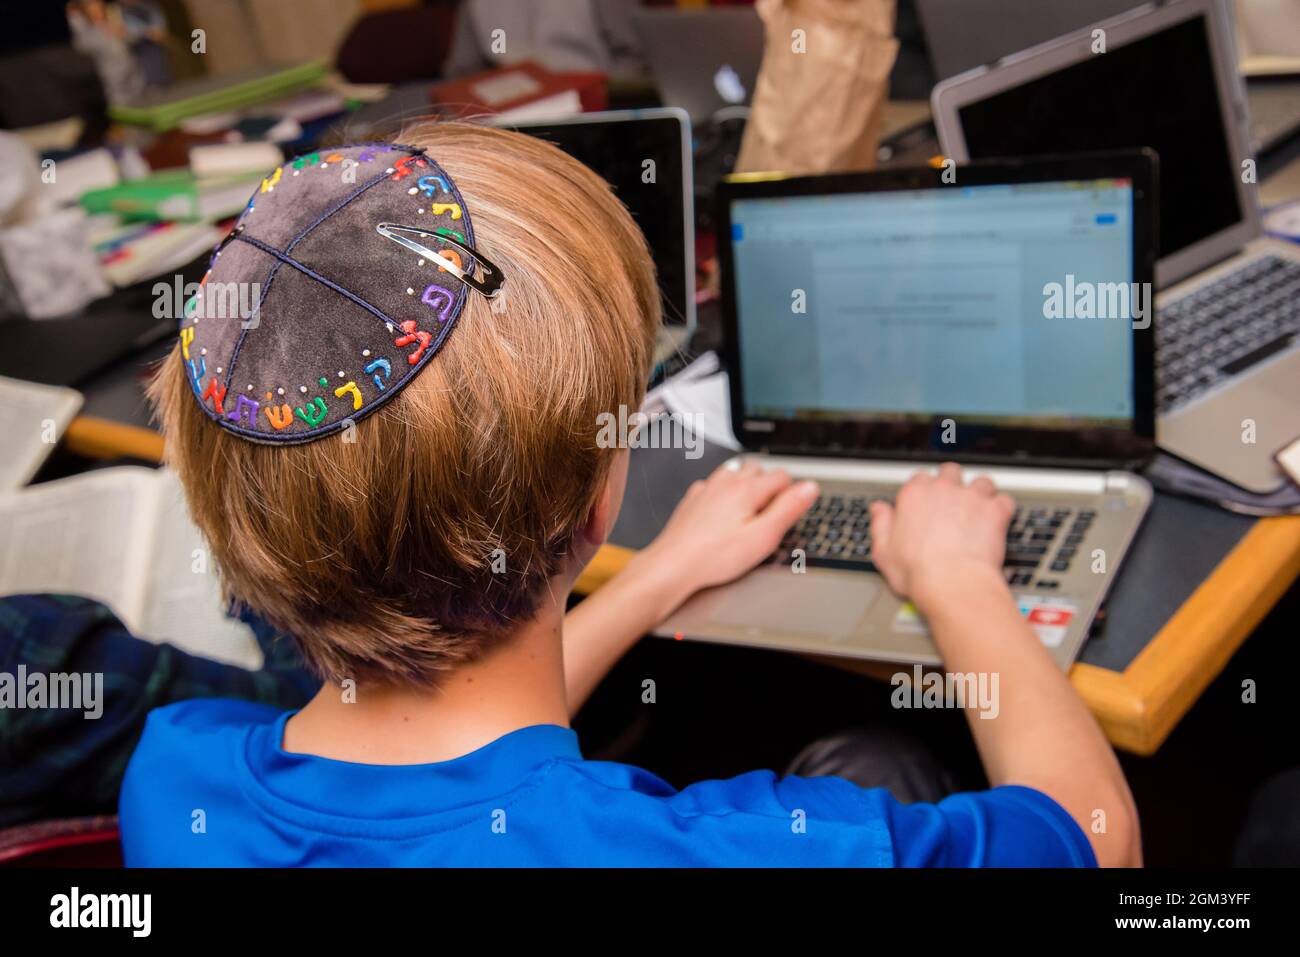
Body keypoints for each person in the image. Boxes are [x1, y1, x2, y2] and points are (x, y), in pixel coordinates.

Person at [118, 122, 1139, 866]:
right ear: (600, 498)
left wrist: (651, 586)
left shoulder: (172, 782)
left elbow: (455, 772)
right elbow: (1095, 837)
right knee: (882, 760)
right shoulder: (732, 851)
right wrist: (960, 584)